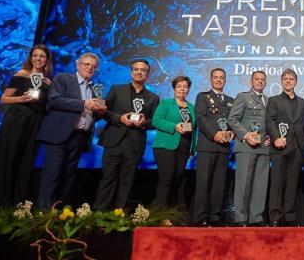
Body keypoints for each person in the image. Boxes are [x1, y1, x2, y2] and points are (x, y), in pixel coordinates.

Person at [37, 52, 107, 209]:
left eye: (93, 66)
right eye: (87, 64)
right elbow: (54, 101)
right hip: (58, 135)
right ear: (78, 65)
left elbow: (89, 116)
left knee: (68, 177)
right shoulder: (63, 78)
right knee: (52, 175)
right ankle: (43, 214)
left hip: (79, 138)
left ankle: (60, 212)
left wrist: (99, 114)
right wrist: (83, 104)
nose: (90, 68)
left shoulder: (94, 90)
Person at [93, 59, 159, 211]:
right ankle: (99, 213)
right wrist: (119, 118)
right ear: (131, 72)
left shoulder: (153, 98)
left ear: (147, 74)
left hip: (134, 144)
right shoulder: (117, 89)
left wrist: (143, 123)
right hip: (114, 142)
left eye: (143, 70)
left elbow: (154, 122)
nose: (139, 72)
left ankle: (119, 215)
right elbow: (104, 111)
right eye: (136, 69)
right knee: (107, 179)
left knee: (127, 182)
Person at [0, 44, 53, 206]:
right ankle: (2, 200)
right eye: (35, 55)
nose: (38, 59)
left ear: (47, 60)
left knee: (26, 160)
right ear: (31, 58)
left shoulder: (48, 81)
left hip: (34, 124)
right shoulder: (21, 74)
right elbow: (4, 99)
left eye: (41, 56)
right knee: (9, 156)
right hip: (16, 121)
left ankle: (18, 201)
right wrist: (21, 99)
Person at [192, 68, 235, 227]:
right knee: (204, 183)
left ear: (225, 80)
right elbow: (201, 119)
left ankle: (215, 216)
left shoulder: (231, 100)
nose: (218, 80)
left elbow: (233, 120)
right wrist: (215, 134)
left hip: (224, 148)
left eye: (221, 78)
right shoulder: (203, 97)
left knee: (219, 184)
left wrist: (231, 132)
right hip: (207, 146)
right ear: (211, 79)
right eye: (216, 77)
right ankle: (200, 217)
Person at [227, 71, 270, 226]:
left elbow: (269, 123)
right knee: (243, 183)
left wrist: (270, 136)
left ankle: (256, 218)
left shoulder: (268, 100)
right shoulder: (243, 97)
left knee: (260, 184)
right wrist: (245, 135)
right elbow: (232, 119)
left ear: (266, 83)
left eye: (262, 80)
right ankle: (241, 218)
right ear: (250, 81)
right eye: (257, 79)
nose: (260, 82)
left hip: (263, 148)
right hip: (246, 146)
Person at [265, 69, 304, 226]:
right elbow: (270, 121)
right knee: (277, 183)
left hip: (297, 146)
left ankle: (289, 217)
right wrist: (276, 138)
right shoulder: (274, 100)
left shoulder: (303, 102)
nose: (288, 81)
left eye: (291, 79)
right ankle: (275, 217)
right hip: (280, 147)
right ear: (282, 82)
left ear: (296, 82)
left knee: (292, 183)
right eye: (285, 79)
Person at [152, 76, 195, 208]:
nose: (182, 89)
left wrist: (192, 149)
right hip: (165, 145)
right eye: (179, 86)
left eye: (185, 87)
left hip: (184, 146)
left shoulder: (192, 107)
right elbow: (156, 121)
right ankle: (160, 213)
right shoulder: (166, 103)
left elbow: (194, 129)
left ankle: (172, 211)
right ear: (174, 89)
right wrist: (174, 126)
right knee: (167, 179)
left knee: (177, 179)